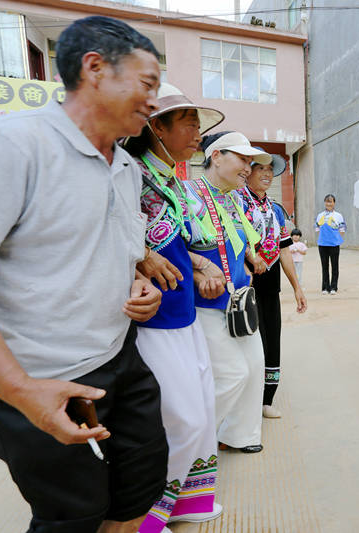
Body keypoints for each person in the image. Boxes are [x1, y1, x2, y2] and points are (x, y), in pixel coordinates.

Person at [0, 16, 166, 533]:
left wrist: (139, 287)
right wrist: (21, 391)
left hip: (119, 358)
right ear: (94, 69)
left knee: (138, 492)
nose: (153, 102)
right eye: (147, 84)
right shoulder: (13, 145)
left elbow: (118, 254)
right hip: (41, 374)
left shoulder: (126, 168)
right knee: (73, 516)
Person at [123, 82, 225, 532]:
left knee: (202, 412)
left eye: (198, 126)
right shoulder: (129, 174)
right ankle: (146, 515)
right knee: (178, 417)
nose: (197, 134)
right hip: (153, 321)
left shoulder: (175, 183)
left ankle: (186, 504)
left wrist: (201, 266)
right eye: (187, 124)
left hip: (184, 314)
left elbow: (184, 242)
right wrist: (139, 253)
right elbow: (113, 235)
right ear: (155, 127)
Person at [185, 131, 271, 453]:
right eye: (243, 159)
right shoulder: (187, 195)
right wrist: (198, 270)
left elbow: (237, 238)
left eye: (251, 161)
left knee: (255, 367)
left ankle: (240, 435)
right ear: (216, 155)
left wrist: (250, 256)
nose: (248, 168)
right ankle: (192, 442)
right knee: (232, 374)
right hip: (206, 304)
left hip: (238, 300)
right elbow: (168, 246)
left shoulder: (233, 197)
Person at [240, 150, 307, 420]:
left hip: (270, 285)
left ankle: (267, 399)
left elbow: (284, 250)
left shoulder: (275, 210)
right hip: (246, 284)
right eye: (261, 168)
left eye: (271, 169)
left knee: (272, 342)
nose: (267, 174)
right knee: (249, 342)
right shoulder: (237, 203)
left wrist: (297, 287)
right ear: (248, 171)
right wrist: (250, 257)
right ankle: (246, 402)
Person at [315, 194, 346, 294]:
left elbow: (342, 229)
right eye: (327, 201)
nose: (329, 203)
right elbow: (317, 228)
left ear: (334, 203)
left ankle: (333, 287)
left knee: (334, 266)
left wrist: (337, 238)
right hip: (322, 244)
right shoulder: (320, 215)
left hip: (334, 244)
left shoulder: (338, 215)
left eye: (331, 201)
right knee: (324, 266)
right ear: (324, 203)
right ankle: (325, 287)